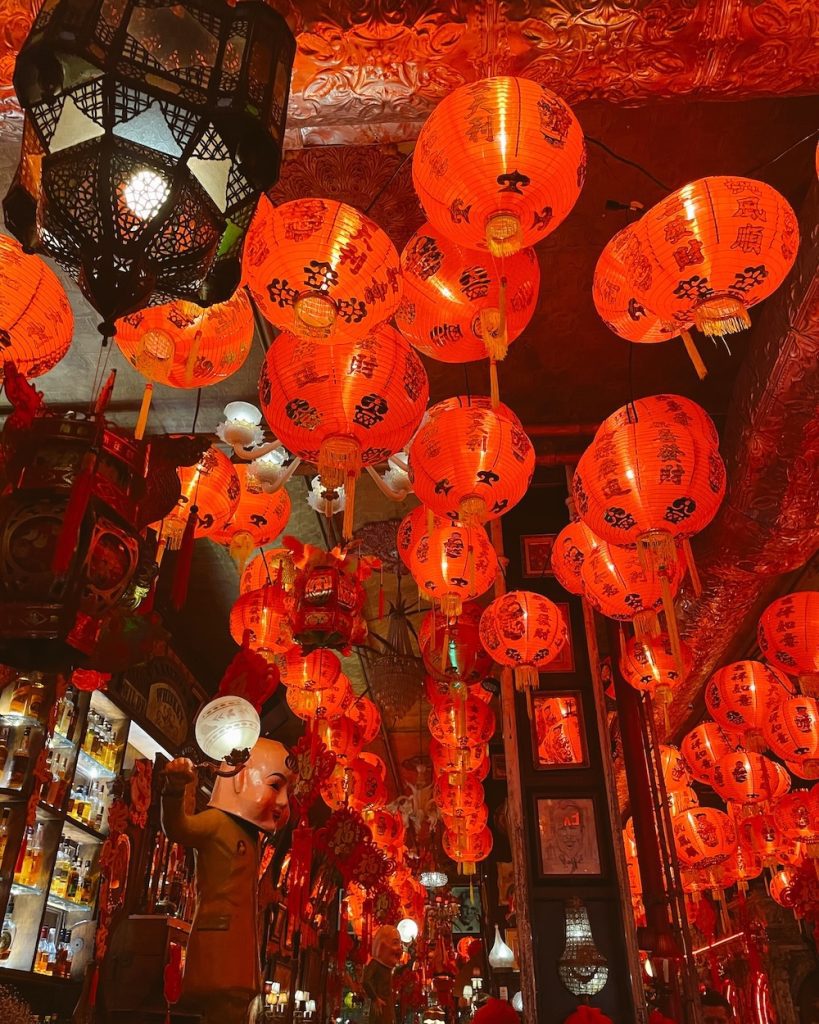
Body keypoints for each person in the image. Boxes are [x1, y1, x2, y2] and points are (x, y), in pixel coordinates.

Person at [161, 738, 291, 1024]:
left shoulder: (252, 837)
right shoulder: (218, 822)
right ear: (240, 780)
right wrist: (174, 790)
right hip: (220, 953)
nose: (283, 801)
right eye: (275, 786)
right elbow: (178, 827)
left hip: (238, 955)